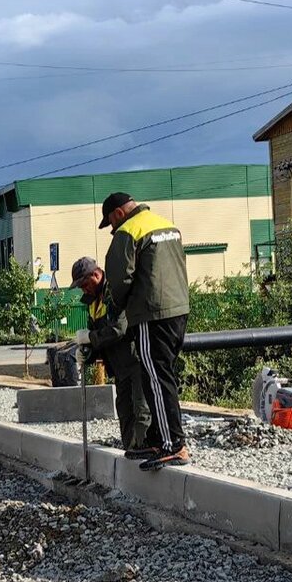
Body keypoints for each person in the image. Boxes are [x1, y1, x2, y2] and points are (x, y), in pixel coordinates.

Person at [98, 192, 191, 470]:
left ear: (117, 214)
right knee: (163, 373)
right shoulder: (166, 225)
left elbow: (120, 279)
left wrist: (117, 304)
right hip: (178, 309)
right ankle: (154, 437)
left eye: (110, 224)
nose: (112, 229)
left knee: (156, 376)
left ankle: (172, 444)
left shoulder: (127, 231)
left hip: (152, 313)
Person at [69, 257, 151, 454]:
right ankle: (132, 453)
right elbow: (98, 339)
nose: (84, 289)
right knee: (124, 410)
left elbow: (119, 329)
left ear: (96, 275)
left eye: (85, 284)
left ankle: (146, 452)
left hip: (136, 360)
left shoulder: (115, 292)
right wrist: (87, 352)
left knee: (141, 411)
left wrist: (90, 337)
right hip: (119, 367)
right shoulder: (92, 302)